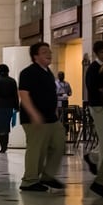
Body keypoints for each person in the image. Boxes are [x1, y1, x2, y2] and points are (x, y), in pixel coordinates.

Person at [18, 41, 66, 192]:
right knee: (36, 149)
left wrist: (56, 113)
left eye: (49, 52)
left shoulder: (48, 72)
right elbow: (24, 95)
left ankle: (47, 176)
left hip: (51, 118)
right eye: (44, 52)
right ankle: (29, 180)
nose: (49, 54)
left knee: (59, 145)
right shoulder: (28, 72)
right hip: (34, 118)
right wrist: (34, 114)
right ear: (35, 56)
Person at [84, 39, 103, 196]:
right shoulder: (93, 68)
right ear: (98, 53)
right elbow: (92, 87)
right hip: (98, 107)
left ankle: (92, 156)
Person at [0, 63, 19, 153]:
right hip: (9, 106)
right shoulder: (12, 81)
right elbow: (15, 95)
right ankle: (5, 146)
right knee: (6, 126)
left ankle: (2, 146)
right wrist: (16, 106)